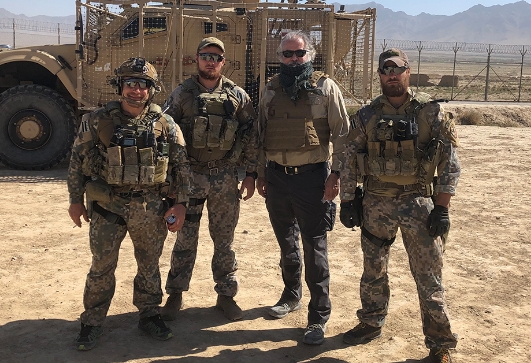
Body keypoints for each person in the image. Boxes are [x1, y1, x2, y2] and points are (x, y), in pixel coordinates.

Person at [339, 48, 460, 363]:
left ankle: (440, 345)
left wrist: (442, 208)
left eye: (398, 69)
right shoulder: (366, 115)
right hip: (376, 203)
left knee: (427, 273)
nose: (391, 74)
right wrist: (348, 200)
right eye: (385, 69)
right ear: (379, 75)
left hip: (417, 203)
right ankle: (370, 322)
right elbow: (349, 159)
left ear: (408, 72)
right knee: (373, 269)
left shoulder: (431, 113)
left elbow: (450, 165)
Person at [67, 57, 190, 351]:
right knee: (101, 266)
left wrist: (181, 204)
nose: (137, 90)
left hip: (150, 209)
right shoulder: (97, 120)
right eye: (131, 83)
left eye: (143, 84)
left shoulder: (166, 124)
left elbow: (182, 166)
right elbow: (77, 161)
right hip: (108, 208)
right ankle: (92, 322)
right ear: (120, 86)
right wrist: (74, 200)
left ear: (152, 89)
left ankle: (149, 315)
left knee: (149, 266)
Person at [256, 30, 350, 345]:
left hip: (313, 177)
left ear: (309, 55)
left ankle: (318, 317)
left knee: (314, 245)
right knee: (286, 242)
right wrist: (260, 173)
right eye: (287, 54)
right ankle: (291, 294)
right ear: (279, 57)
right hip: (277, 176)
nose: (294, 60)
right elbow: (261, 132)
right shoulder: (270, 89)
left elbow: (342, 134)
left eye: (299, 54)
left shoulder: (325, 88)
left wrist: (336, 174)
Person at [160, 37, 259, 321]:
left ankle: (226, 296)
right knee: (184, 239)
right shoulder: (182, 94)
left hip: (224, 177)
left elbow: (251, 134)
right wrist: (169, 179)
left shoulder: (237, 95)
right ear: (197, 58)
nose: (211, 61)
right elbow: (164, 130)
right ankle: (175, 294)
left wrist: (251, 173)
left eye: (216, 57)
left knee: (224, 240)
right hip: (189, 177)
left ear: (223, 62)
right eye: (206, 56)